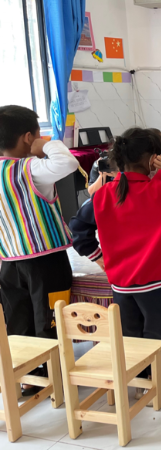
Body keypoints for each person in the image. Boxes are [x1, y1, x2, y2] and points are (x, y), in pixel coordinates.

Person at [69, 127, 161, 400]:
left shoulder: (103, 194)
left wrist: (98, 258)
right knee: (156, 333)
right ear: (153, 159)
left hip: (121, 282)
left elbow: (77, 229)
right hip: (158, 281)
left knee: (130, 332)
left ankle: (139, 378)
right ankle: (156, 380)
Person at [0, 106, 79, 395]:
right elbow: (68, 162)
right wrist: (46, 144)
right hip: (45, 260)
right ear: (27, 137)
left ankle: (27, 376)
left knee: (18, 319)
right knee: (49, 317)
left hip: (9, 260)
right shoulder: (31, 169)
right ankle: (54, 375)